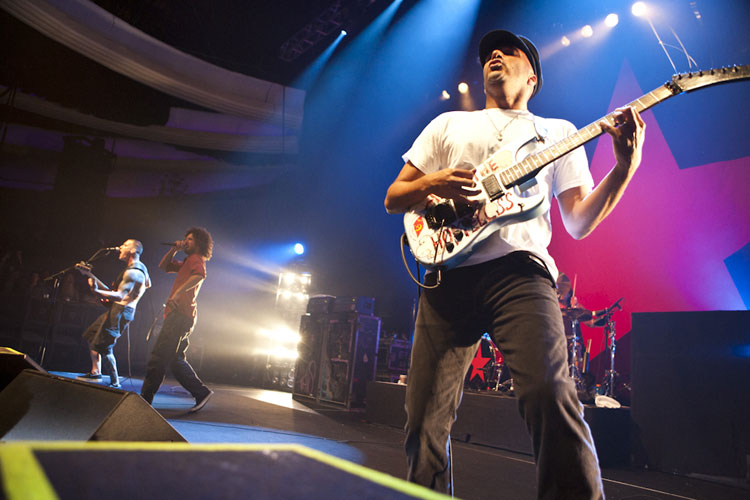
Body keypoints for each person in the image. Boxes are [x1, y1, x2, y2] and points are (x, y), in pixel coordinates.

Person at [384, 30, 645, 498]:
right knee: (423, 420)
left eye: (509, 52)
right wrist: (436, 182)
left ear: (532, 77)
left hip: (521, 274)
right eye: (490, 53)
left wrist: (624, 168)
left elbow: (578, 221)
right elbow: (394, 197)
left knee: (551, 395)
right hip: (448, 276)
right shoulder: (448, 124)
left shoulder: (558, 133)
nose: (495, 55)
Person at [140, 227, 213, 412]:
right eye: (185, 239)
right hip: (182, 316)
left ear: (199, 243)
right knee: (174, 359)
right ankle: (201, 392)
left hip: (180, 316)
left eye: (190, 239)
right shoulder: (188, 261)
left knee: (158, 357)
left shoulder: (196, 259)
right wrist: (174, 249)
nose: (185, 241)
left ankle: (144, 400)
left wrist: (178, 293)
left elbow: (199, 275)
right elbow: (164, 266)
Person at [77, 240, 151, 388]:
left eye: (125, 245)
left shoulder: (133, 272)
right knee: (92, 335)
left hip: (121, 311)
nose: (120, 247)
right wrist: (89, 274)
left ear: (134, 250)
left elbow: (119, 296)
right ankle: (96, 372)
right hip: (118, 309)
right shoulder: (141, 268)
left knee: (105, 347)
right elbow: (148, 284)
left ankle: (115, 383)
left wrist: (96, 291)